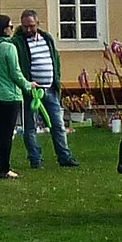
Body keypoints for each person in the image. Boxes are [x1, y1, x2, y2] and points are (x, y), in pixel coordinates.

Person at [15, 9, 78, 168]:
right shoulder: (18, 42)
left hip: (50, 89)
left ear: (38, 24)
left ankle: (64, 157)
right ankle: (35, 159)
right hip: (31, 92)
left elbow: (55, 59)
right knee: (30, 127)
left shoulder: (47, 38)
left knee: (58, 124)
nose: (28, 30)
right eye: (25, 27)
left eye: (31, 26)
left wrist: (56, 80)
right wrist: (26, 84)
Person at [0, 13, 36, 179]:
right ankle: (4, 169)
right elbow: (15, 73)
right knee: (6, 134)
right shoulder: (9, 47)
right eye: (11, 26)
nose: (12, 29)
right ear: (4, 29)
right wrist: (28, 85)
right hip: (9, 96)